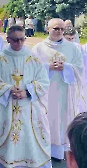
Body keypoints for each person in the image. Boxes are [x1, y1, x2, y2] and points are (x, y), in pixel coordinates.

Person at [0, 25, 51, 167]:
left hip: (29, 109)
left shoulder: (33, 58)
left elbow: (44, 81)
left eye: (22, 39)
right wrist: (8, 90)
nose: (19, 43)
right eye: (15, 40)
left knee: (30, 140)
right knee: (8, 143)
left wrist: (27, 92)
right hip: (6, 108)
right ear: (8, 39)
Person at [32, 18, 83, 160]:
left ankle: (59, 152)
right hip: (45, 93)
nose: (60, 31)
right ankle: (43, 149)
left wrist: (66, 67)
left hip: (65, 92)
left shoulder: (72, 48)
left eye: (62, 29)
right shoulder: (38, 48)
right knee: (45, 119)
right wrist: (48, 67)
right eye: (56, 28)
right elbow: (31, 69)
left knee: (62, 121)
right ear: (48, 29)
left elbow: (79, 69)